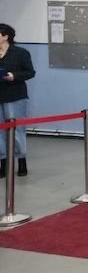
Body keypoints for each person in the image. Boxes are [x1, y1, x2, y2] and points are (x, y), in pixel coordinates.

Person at [0, 24, 36, 178]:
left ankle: (21, 161)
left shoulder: (21, 53)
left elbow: (30, 72)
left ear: (5, 36)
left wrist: (14, 76)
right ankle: (3, 163)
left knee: (16, 130)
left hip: (15, 95)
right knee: (0, 131)